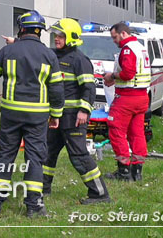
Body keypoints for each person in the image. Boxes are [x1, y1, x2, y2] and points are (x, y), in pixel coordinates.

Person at [0, 10, 64, 218]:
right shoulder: (49, 55)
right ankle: (34, 205)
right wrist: (55, 114)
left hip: (11, 113)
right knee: (35, 157)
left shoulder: (9, 51)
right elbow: (56, 89)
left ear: (21, 29)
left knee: (5, 154)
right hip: (37, 116)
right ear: (40, 31)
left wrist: (8, 50)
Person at [42, 19, 111, 204]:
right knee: (47, 152)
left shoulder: (80, 60)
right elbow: (36, 51)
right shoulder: (54, 55)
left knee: (79, 156)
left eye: (61, 36)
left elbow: (89, 88)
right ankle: (43, 188)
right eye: (56, 35)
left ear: (70, 37)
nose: (56, 39)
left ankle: (100, 193)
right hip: (56, 116)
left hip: (74, 118)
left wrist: (83, 111)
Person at [103, 22, 150, 181]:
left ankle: (124, 171)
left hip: (127, 98)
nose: (114, 41)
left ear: (123, 34)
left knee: (115, 128)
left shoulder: (128, 49)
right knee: (137, 133)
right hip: (142, 97)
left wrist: (112, 76)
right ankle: (137, 172)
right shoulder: (140, 47)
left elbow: (128, 73)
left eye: (114, 37)